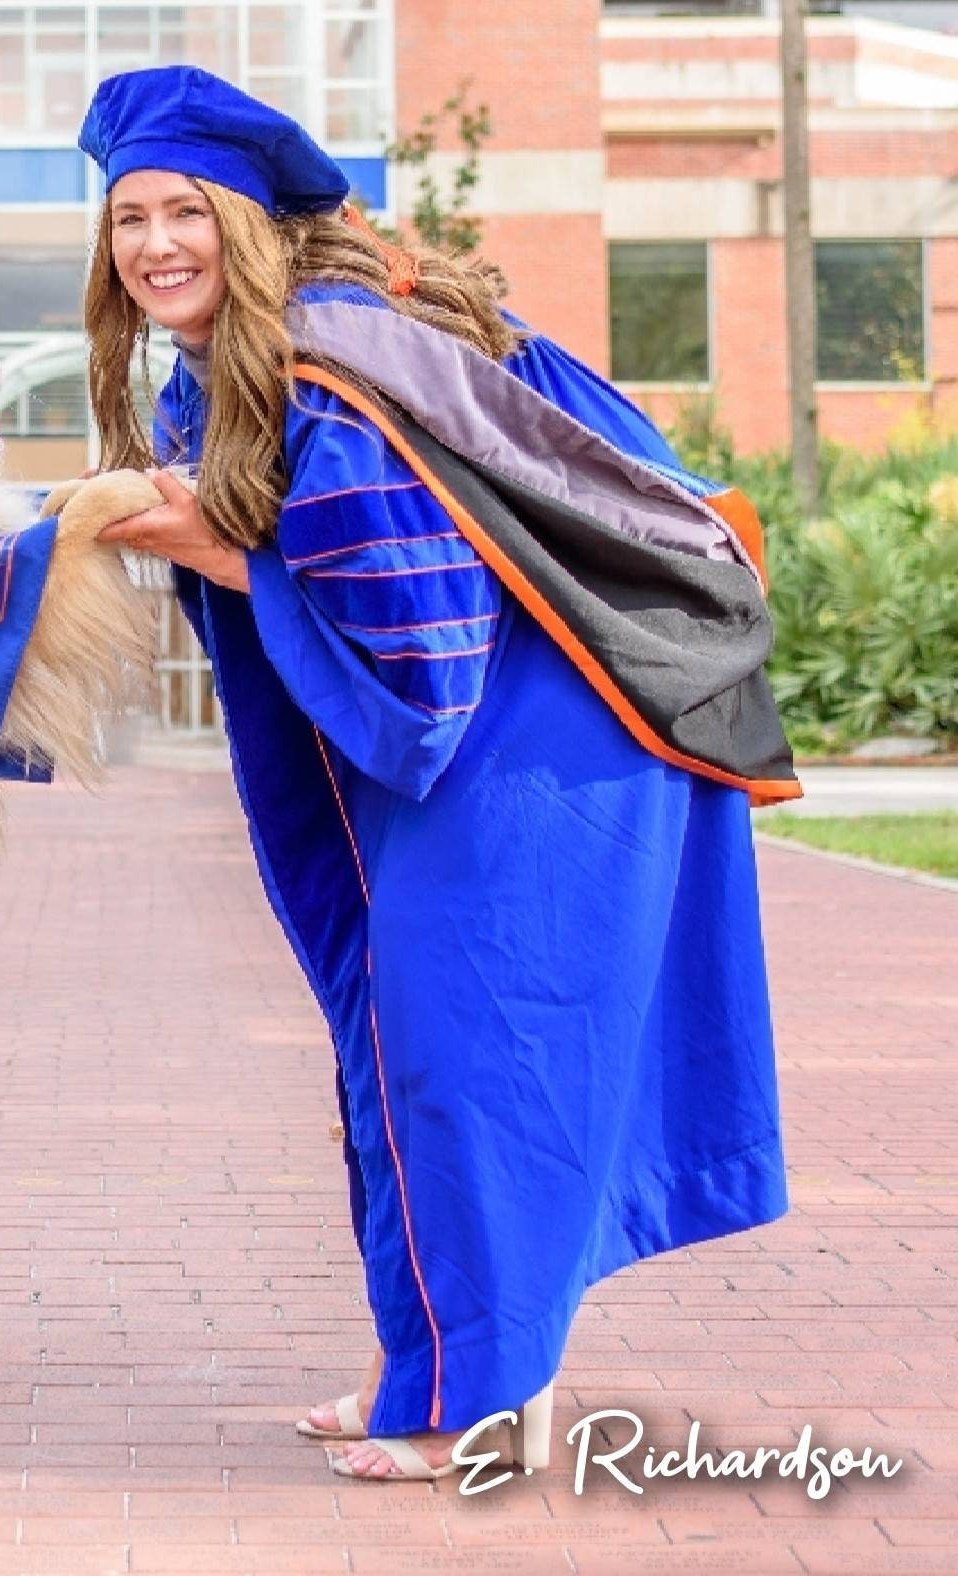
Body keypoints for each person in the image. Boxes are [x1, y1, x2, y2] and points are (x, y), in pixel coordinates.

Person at [74, 66, 799, 1482]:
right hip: (513, 740)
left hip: (545, 749)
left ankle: (480, 1407)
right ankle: (432, 1364)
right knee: (401, 1056)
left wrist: (215, 554)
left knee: (473, 1061)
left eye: (184, 213)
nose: (155, 245)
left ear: (247, 218)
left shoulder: (335, 368)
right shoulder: (242, 365)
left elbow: (421, 671)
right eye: (128, 221)